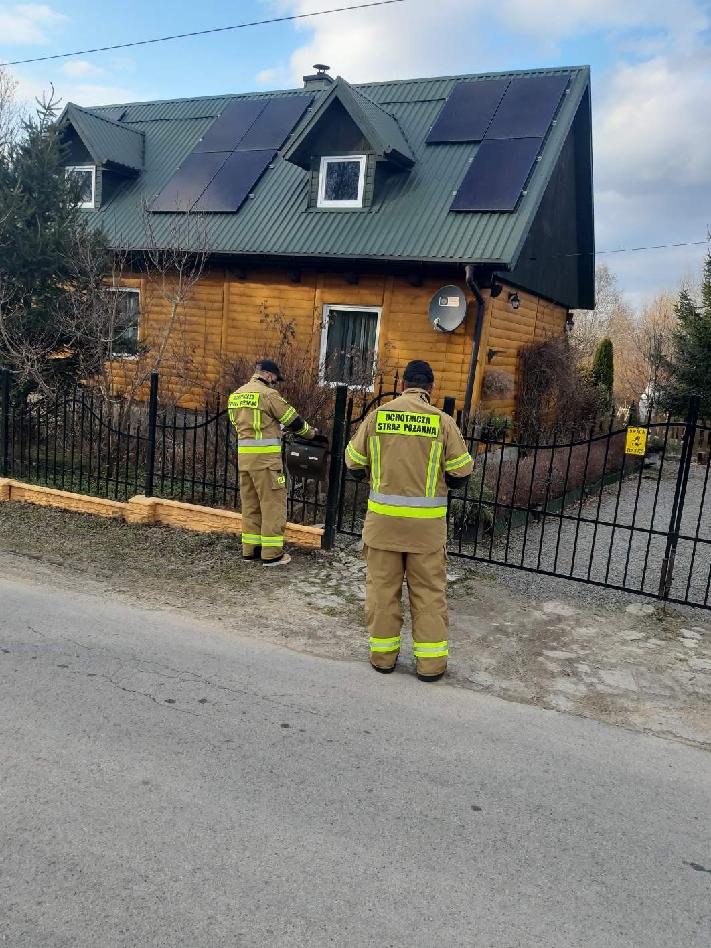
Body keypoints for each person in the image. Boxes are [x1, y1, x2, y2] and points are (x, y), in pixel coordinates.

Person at [344, 360, 473, 681]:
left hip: (382, 528)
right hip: (426, 533)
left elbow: (353, 463)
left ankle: (383, 658)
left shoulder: (377, 417)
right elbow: (461, 473)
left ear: (403, 385)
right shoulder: (442, 422)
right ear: (430, 388)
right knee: (428, 594)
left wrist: (376, 476)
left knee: (382, 593)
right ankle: (431, 666)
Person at [228, 359, 316, 566]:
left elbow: (246, 426)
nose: (275, 383)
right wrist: (311, 433)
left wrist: (275, 431)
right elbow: (294, 421)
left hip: (245, 462)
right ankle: (272, 554)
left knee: (251, 506)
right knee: (273, 506)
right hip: (267, 463)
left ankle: (250, 550)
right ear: (268, 375)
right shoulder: (268, 395)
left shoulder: (236, 396)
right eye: (275, 379)